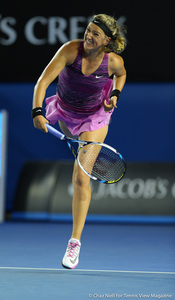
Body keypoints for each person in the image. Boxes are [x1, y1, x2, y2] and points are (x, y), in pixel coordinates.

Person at [32, 13, 127, 269]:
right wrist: (37, 111)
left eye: (96, 34)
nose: (89, 36)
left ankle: (75, 241)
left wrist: (115, 94)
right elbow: (43, 81)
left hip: (95, 117)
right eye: (88, 30)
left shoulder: (113, 62)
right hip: (64, 111)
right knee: (78, 160)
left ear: (107, 40)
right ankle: (81, 151)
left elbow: (122, 74)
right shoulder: (70, 51)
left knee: (80, 177)